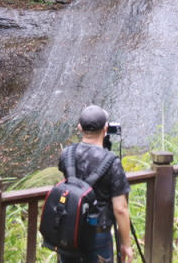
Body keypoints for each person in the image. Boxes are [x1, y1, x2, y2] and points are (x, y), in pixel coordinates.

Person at [56, 104, 134, 263]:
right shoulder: (111, 162)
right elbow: (120, 209)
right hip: (98, 233)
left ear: (79, 127)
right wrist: (126, 244)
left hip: (69, 231)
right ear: (106, 129)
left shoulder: (66, 155)